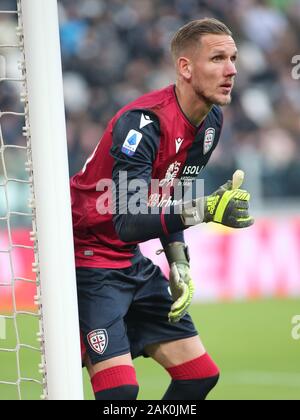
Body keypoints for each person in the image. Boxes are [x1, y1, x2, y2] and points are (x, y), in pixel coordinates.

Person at [70, 18, 254, 401]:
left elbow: (173, 195)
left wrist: (179, 263)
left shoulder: (210, 124)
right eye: (218, 58)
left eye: (233, 58)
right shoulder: (144, 123)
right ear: (185, 68)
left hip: (128, 261)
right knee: (120, 394)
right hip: (87, 262)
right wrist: (204, 210)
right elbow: (128, 221)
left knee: (199, 376)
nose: (232, 69)